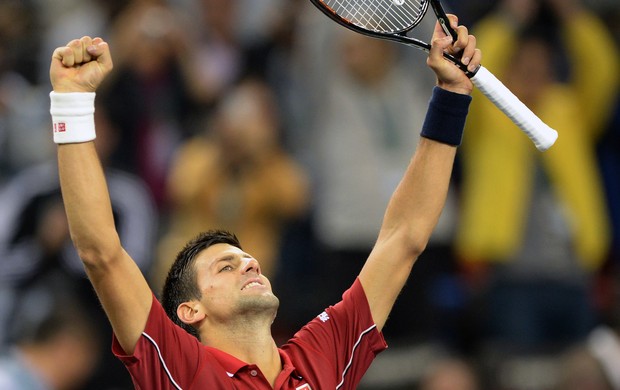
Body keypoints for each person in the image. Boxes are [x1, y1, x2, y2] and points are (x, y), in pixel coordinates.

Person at [47, 13, 481, 389]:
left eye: (245, 258)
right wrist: (71, 104)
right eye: (226, 266)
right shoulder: (179, 368)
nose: (251, 264)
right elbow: (101, 252)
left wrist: (451, 94)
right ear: (190, 309)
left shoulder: (320, 355)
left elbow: (403, 236)